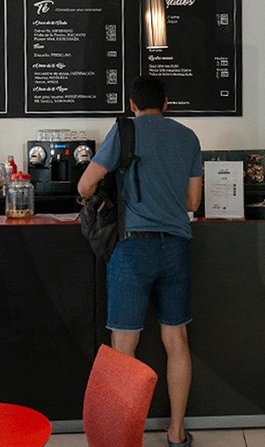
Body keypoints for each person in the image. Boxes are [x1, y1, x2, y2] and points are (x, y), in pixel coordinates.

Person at [77, 76, 202, 447]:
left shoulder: (124, 131)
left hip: (133, 250)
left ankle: (124, 439)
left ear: (132, 104)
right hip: (177, 247)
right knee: (176, 340)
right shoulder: (188, 137)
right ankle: (177, 433)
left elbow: (85, 185)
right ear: (166, 103)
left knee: (124, 348)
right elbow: (193, 202)